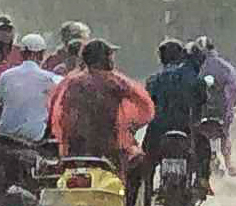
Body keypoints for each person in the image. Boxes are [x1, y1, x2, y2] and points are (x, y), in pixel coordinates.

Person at [47, 40, 155, 193]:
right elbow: (146, 107)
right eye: (110, 56)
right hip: (110, 149)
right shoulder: (117, 82)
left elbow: (57, 113)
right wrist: (130, 126)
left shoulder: (72, 82)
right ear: (104, 59)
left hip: (76, 150)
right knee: (138, 164)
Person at [141, 39, 212, 206]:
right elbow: (203, 102)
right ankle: (203, 181)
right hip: (188, 129)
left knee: (145, 162)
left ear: (161, 58)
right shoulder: (196, 79)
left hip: (158, 131)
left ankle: (145, 197)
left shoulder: (153, 80)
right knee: (204, 148)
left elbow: (147, 105)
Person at [193, 36, 236, 176]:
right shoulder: (225, 67)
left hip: (200, 111)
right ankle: (229, 164)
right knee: (225, 134)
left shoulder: (192, 66)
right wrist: (230, 104)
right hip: (221, 111)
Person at [0, 34, 59, 142]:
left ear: (21, 54)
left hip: (6, 135)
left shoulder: (5, 76)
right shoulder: (52, 79)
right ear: (41, 55)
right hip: (36, 136)